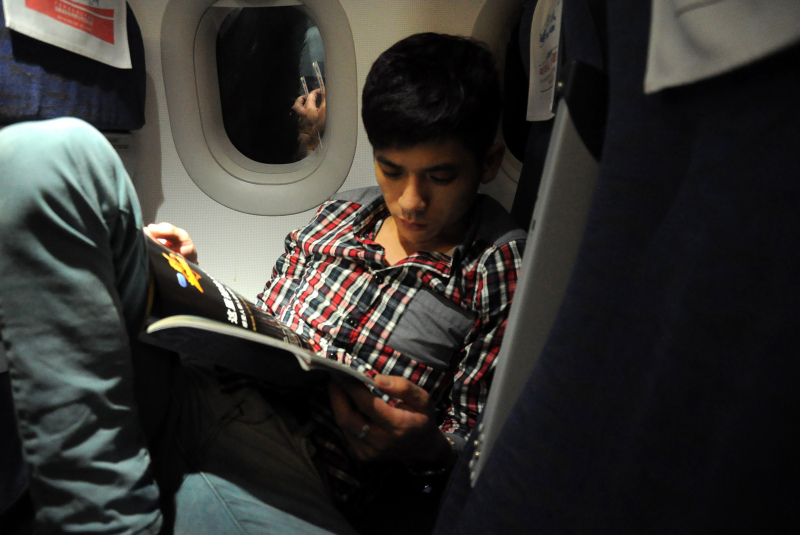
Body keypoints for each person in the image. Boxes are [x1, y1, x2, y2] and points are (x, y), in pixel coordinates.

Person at [0, 33, 525, 534]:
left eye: (439, 177)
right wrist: (186, 282)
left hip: (287, 466)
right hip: (197, 387)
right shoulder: (339, 215)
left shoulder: (497, 264)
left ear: (489, 163)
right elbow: (265, 328)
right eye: (391, 170)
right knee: (55, 156)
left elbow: (480, 447)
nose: (410, 201)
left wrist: (429, 449)